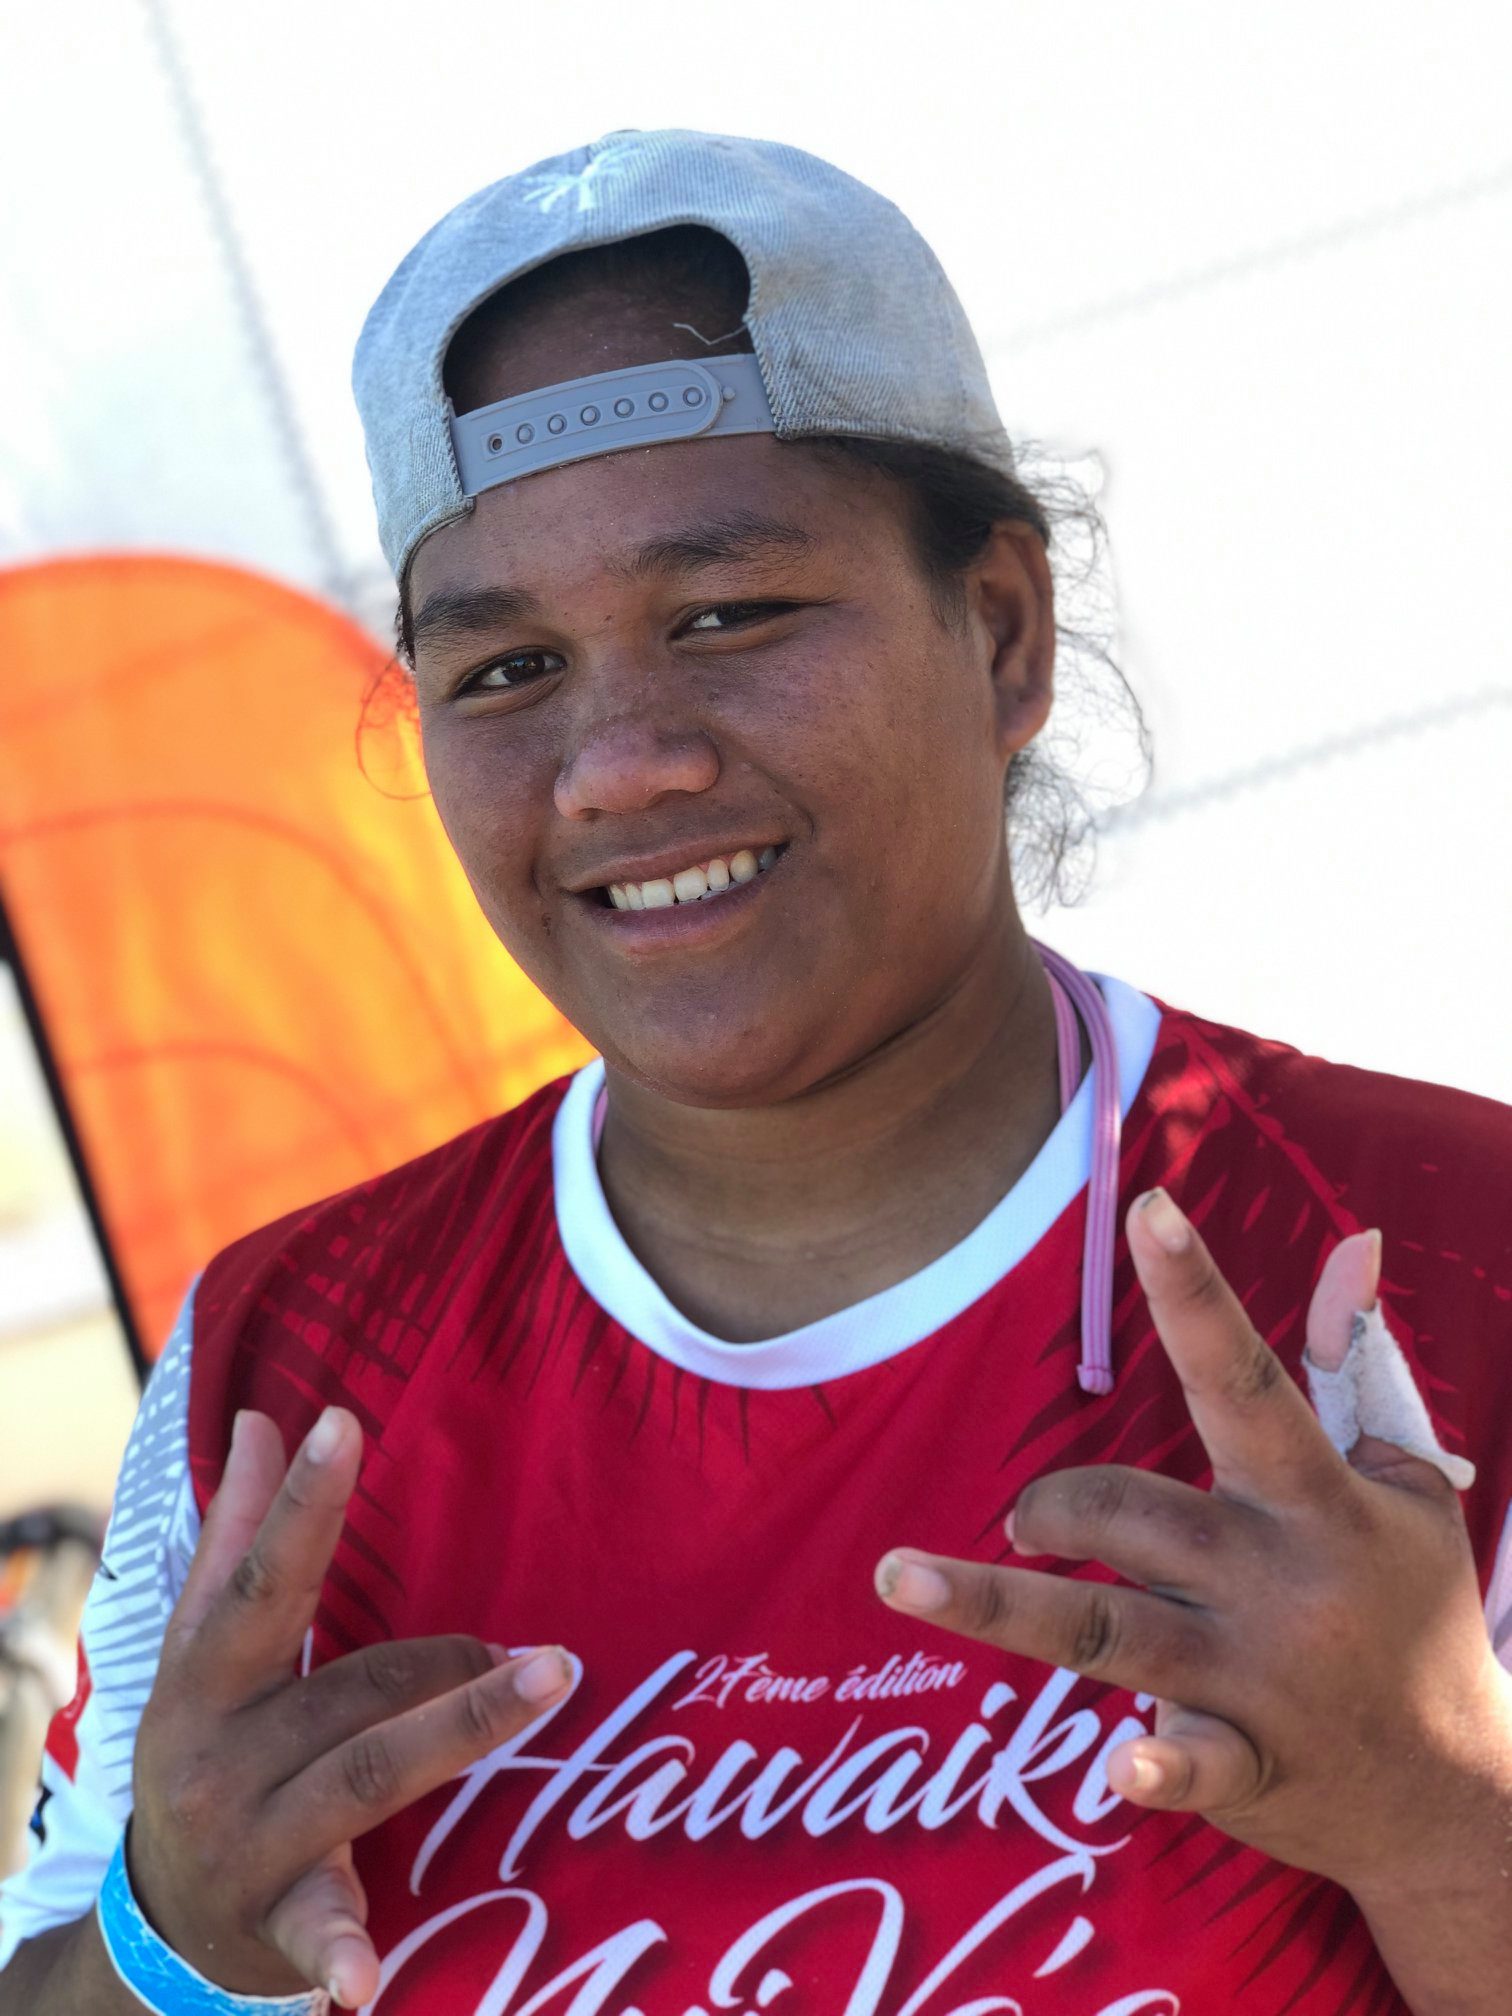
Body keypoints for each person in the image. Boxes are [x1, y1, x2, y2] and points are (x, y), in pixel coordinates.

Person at [1, 128, 1509, 2016]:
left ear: (1004, 633)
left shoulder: (1446, 1256)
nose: (617, 763)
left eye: (727, 616)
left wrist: (1436, 1810)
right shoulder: (293, 1356)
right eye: (505, 670)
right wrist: (170, 1939)